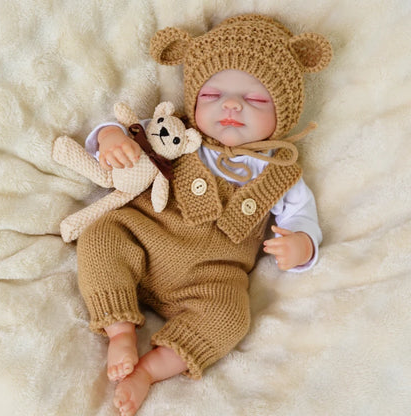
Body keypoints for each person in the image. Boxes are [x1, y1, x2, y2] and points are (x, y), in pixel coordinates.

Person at [78, 14, 332, 415]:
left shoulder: (281, 170)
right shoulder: (178, 134)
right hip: (144, 237)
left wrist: (301, 244)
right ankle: (120, 330)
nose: (231, 105)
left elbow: (303, 218)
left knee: (232, 317)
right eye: (212, 95)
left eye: (255, 99)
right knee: (101, 236)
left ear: (283, 113)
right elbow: (132, 131)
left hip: (210, 279)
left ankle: (149, 370)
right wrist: (111, 138)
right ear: (194, 99)